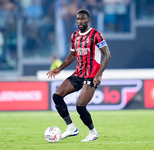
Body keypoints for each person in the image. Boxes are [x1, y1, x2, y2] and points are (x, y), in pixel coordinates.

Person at [46, 9, 111, 142]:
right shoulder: (74, 36)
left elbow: (107, 55)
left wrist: (98, 75)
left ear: (88, 20)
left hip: (91, 75)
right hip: (78, 74)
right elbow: (71, 55)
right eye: (78, 19)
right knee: (57, 96)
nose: (80, 21)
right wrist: (59, 68)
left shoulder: (96, 35)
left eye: (83, 19)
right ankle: (71, 128)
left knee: (80, 106)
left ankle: (93, 132)